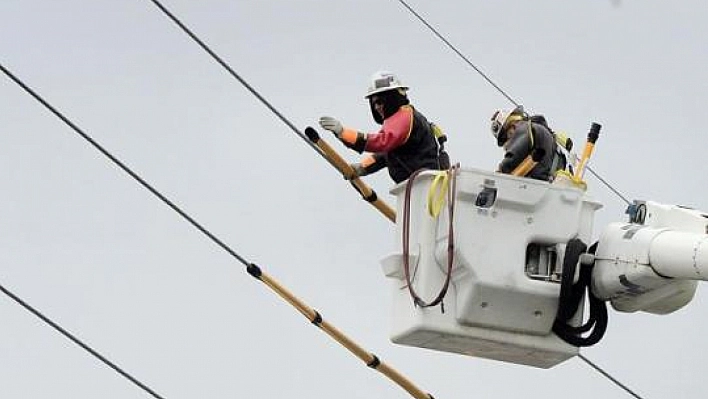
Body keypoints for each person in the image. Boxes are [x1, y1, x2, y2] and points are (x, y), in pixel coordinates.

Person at [319, 71, 449, 184]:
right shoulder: (404, 119)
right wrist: (362, 168)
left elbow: (382, 142)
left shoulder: (403, 116)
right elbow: (385, 155)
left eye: (379, 102)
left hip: (424, 185)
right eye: (373, 103)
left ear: (392, 99)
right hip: (419, 185)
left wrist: (343, 133)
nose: (377, 107)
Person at [490, 106, 558, 181]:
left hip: (538, 184)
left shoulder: (523, 128)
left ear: (512, 125)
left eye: (505, 137)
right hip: (544, 183)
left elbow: (514, 155)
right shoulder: (540, 134)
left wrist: (501, 169)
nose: (506, 143)